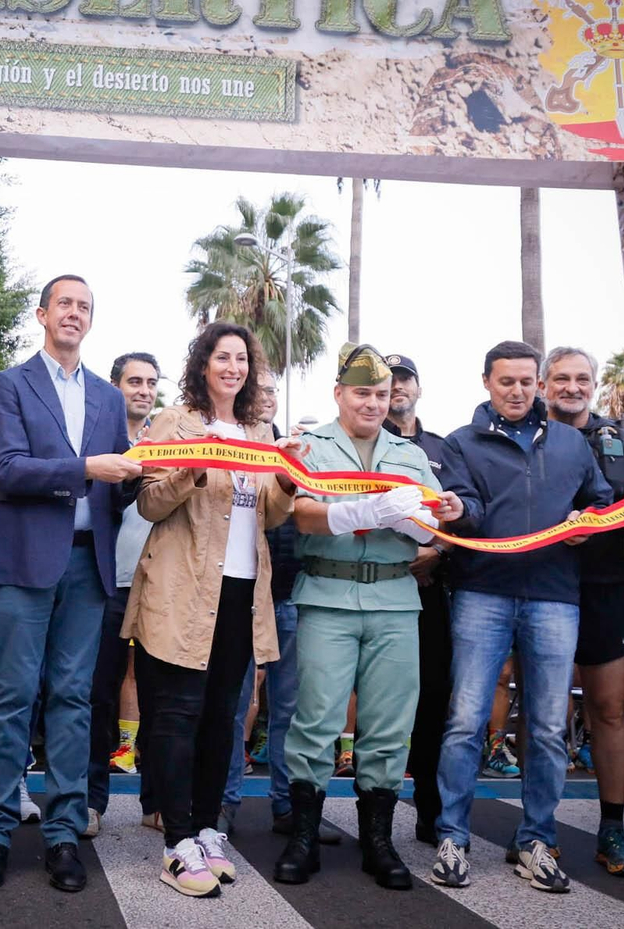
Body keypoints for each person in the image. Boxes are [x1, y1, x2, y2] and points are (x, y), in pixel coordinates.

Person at [0, 275, 139, 894]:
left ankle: (64, 835)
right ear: (42, 314)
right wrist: (87, 469)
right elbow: (7, 472)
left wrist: (169, 467)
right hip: (23, 562)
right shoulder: (11, 384)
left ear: (91, 321)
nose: (74, 313)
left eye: (85, 306)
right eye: (64, 303)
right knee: (13, 695)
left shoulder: (108, 397)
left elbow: (123, 482)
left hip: (87, 566)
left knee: (72, 699)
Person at [121, 321, 299, 900]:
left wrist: (288, 477)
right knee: (176, 716)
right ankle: (176, 843)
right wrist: (190, 472)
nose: (233, 367)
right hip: (181, 590)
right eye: (222, 357)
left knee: (224, 715)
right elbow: (148, 502)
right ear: (203, 364)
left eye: (242, 359)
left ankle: (204, 828)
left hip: (243, 593)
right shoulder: (175, 421)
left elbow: (267, 514)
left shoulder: (259, 428)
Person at [274, 343, 461, 889]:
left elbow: (431, 530)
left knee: (388, 727)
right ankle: (303, 834)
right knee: (316, 719)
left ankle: (378, 840)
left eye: (381, 394)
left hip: (396, 599)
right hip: (328, 593)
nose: (374, 403)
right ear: (339, 394)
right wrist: (368, 510)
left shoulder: (409, 455)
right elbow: (303, 517)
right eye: (362, 393)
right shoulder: (311, 447)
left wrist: (434, 518)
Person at [431, 340, 612, 894]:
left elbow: (601, 500)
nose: (516, 391)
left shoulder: (571, 442)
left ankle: (536, 839)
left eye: (526, 382)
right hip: (482, 593)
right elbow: (465, 507)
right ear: (486, 381)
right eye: (505, 381)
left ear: (538, 384)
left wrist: (591, 520)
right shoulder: (461, 442)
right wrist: (460, 512)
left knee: (549, 727)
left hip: (556, 596)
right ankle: (452, 838)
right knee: (464, 722)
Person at [539, 347, 624, 877]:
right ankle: (537, 828)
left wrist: (599, 522)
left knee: (608, 709)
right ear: (544, 385)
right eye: (560, 378)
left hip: (603, 587)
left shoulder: (619, 440)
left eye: (581, 378)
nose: (572, 387)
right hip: (538, 585)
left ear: (593, 385)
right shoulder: (525, 434)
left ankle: (614, 831)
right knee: (543, 715)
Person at [221, 370, 322, 843]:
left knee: (291, 710)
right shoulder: (225, 447)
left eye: (271, 390)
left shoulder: (298, 452)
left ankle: (288, 806)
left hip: (292, 594)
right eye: (255, 389)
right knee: (233, 705)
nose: (264, 397)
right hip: (242, 595)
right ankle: (223, 804)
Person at [83, 351, 159, 838]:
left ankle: (158, 803)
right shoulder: (96, 438)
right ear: (115, 386)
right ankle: (91, 801)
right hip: (104, 583)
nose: (143, 390)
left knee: (160, 698)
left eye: (152, 382)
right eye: (134, 381)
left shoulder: (170, 440)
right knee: (97, 696)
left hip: (157, 587)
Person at [381, 353, 454, 843]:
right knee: (381, 706)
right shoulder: (363, 444)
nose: (397, 389)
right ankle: (376, 820)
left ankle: (430, 809)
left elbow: (463, 511)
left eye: (404, 380)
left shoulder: (444, 448)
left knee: (432, 705)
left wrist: (437, 551)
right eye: (388, 383)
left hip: (431, 593)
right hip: (379, 587)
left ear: (418, 388)